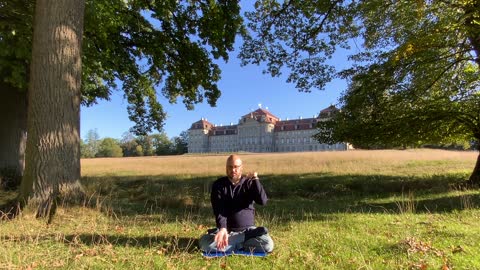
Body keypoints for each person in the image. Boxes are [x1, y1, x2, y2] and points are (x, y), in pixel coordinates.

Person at [199, 154, 274, 254]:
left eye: (236, 167)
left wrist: (256, 180)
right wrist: (222, 229)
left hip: (248, 230)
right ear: (226, 168)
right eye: (230, 167)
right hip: (228, 231)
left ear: (241, 168)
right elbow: (219, 209)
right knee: (205, 244)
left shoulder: (249, 183)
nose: (233, 170)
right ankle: (240, 243)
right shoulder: (219, 185)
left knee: (267, 244)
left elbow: (263, 201)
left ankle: (232, 244)